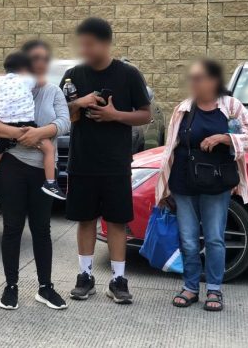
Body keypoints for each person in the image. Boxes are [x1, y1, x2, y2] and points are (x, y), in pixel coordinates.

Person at [61, 18, 151, 304]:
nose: (85, 50)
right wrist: (79, 102)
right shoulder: (73, 76)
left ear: (106, 43)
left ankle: (118, 280)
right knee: (85, 219)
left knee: (116, 221)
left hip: (115, 163)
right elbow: (60, 114)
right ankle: (85, 277)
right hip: (82, 162)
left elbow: (145, 114)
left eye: (90, 44)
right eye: (82, 44)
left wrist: (115, 116)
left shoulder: (128, 74)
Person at [156, 59, 248, 312]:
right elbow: (170, 148)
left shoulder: (231, 107)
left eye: (199, 78)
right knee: (188, 239)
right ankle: (190, 287)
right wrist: (164, 187)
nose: (193, 83)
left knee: (213, 239)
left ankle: (214, 289)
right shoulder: (183, 108)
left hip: (216, 182)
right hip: (183, 182)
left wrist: (224, 138)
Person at [0, 40, 70, 310]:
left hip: (43, 169)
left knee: (42, 229)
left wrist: (39, 133)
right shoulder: (4, 87)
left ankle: (45, 287)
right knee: (12, 228)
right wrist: (19, 134)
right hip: (13, 166)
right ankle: (11, 287)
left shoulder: (53, 91)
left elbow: (64, 122)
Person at [0, 52, 65, 204]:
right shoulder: (28, 80)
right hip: (26, 126)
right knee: (49, 149)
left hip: (4, 128)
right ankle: (50, 183)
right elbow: (40, 81)